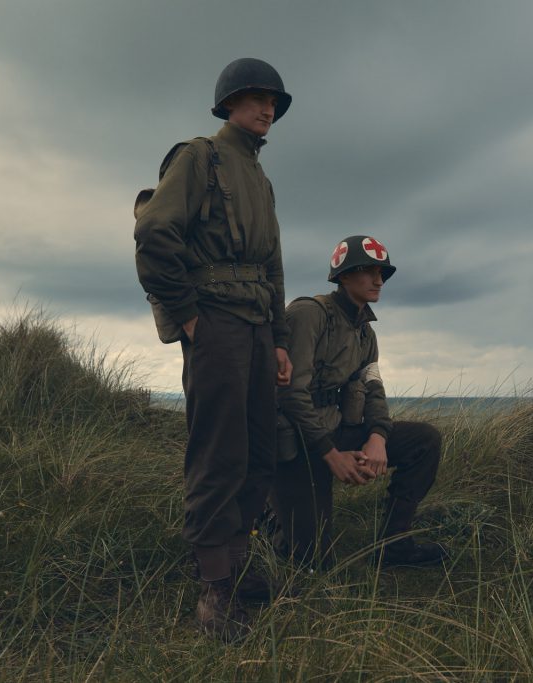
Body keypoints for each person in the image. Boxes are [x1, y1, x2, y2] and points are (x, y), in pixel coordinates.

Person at [134, 57, 294, 641]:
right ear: (229, 103)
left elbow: (272, 267)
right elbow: (154, 234)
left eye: (273, 100)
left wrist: (278, 339)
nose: (267, 108)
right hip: (217, 324)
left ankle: (236, 562)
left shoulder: (262, 178)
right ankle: (213, 589)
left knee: (258, 454)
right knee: (219, 454)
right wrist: (188, 316)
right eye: (255, 98)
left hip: (254, 327)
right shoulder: (198, 155)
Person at [272, 235, 448, 569]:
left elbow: (373, 388)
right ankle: (271, 516)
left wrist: (378, 437)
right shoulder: (308, 314)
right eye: (367, 271)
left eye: (381, 272)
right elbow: (289, 394)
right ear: (343, 275)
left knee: (424, 441)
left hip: (334, 431)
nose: (378, 280)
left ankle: (395, 545)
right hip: (295, 440)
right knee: (312, 563)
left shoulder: (366, 332)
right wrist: (331, 455)